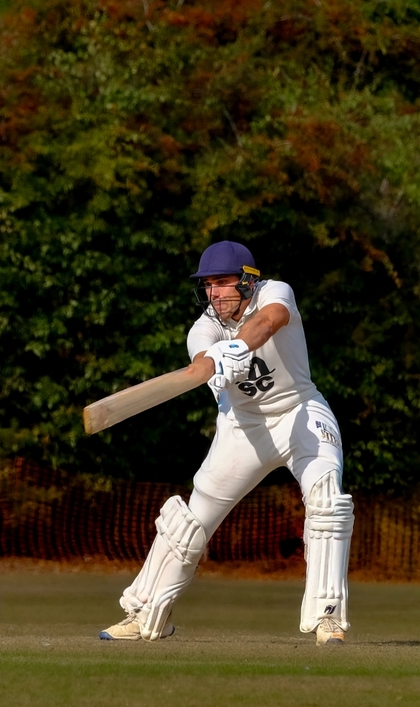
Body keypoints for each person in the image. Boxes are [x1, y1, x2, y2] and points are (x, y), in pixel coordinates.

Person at [99, 241, 352, 646]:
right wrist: (211, 360)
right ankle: (145, 614)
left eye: (222, 282)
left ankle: (328, 620)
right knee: (189, 524)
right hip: (243, 428)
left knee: (327, 501)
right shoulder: (205, 325)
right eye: (208, 285)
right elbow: (200, 360)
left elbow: (270, 321)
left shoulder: (275, 291)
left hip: (300, 411)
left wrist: (237, 347)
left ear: (248, 281)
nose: (214, 293)